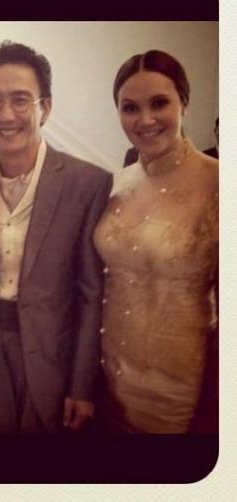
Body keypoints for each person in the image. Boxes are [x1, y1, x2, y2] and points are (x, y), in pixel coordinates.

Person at [0, 41, 113, 433]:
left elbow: (91, 295)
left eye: (21, 100)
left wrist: (82, 386)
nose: (6, 114)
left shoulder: (87, 184)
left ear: (46, 107)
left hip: (52, 357)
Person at [94, 50, 218, 433]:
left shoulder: (219, 183)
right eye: (130, 108)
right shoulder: (115, 184)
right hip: (106, 379)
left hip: (181, 393)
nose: (145, 120)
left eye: (159, 103)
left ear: (184, 101)